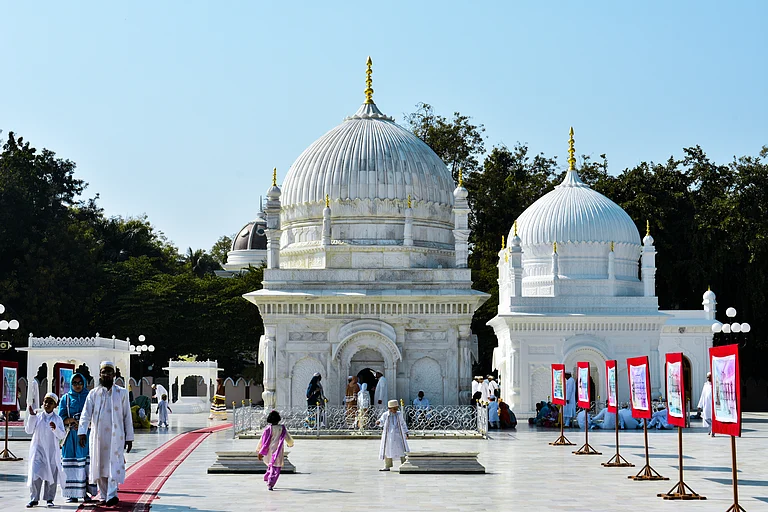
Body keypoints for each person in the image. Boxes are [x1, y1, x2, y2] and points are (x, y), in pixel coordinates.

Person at [77, 361, 134, 507]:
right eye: (104, 372)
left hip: (116, 436)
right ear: (100, 374)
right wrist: (82, 432)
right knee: (100, 465)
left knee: (114, 464)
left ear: (114, 375)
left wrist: (129, 437)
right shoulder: (93, 394)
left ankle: (111, 494)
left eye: (109, 372)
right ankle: (104, 494)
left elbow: (127, 416)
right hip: (98, 437)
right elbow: (85, 414)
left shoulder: (122, 393)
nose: (106, 375)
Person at [58, 373, 95, 503]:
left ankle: (86, 493)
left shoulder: (90, 396)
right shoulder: (66, 399)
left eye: (80, 383)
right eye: (75, 383)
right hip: (71, 436)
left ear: (84, 383)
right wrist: (71, 420)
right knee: (71, 462)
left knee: (85, 462)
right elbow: (61, 417)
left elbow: (95, 414)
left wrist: (84, 424)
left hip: (86, 434)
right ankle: (72, 493)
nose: (78, 385)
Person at [25, 392, 66, 508]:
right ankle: (34, 498)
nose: (47, 404)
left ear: (55, 405)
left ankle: (49, 499)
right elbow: (28, 430)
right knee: (35, 474)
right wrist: (32, 416)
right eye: (45, 402)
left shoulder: (57, 419)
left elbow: (62, 435)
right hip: (38, 450)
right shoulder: (37, 417)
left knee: (51, 474)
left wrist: (55, 428)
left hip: (52, 451)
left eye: (50, 402)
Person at [257, 410, 294, 491]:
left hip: (269, 450)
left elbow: (262, 440)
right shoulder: (282, 428)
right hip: (278, 450)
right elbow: (288, 438)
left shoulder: (268, 429)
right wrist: (290, 444)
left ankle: (267, 476)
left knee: (271, 464)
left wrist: (260, 451)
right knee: (276, 467)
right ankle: (271, 482)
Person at [376, 399, 409, 471]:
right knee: (388, 450)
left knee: (401, 449)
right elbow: (381, 421)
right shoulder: (385, 415)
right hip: (388, 436)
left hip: (398, 435)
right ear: (390, 409)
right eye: (394, 409)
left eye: (396, 408)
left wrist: (406, 432)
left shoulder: (399, 414)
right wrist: (378, 422)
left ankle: (405, 464)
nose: (395, 410)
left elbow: (403, 423)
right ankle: (387, 466)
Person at [697, 372, 713, 436]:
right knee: (706, 418)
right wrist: (699, 405)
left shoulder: (714, 385)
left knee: (712, 418)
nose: (708, 378)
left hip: (712, 405)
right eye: (707, 377)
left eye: (709, 377)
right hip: (706, 404)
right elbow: (703, 395)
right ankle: (711, 429)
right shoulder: (706, 385)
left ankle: (712, 431)